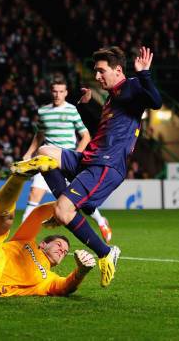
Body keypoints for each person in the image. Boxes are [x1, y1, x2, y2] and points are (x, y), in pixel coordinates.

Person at [11, 46, 162, 287]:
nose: (98, 76)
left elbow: (156, 101)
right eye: (96, 72)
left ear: (118, 70)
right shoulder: (112, 97)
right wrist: (85, 105)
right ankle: (65, 210)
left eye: (102, 71)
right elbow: (102, 130)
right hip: (88, 158)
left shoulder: (132, 86)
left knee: (63, 211)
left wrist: (144, 73)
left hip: (106, 165)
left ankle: (105, 252)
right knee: (45, 152)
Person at [21, 75, 112, 243]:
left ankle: (101, 221)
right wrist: (29, 153)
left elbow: (85, 136)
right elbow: (39, 135)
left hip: (66, 161)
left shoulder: (72, 110)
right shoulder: (43, 112)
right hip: (47, 160)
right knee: (34, 194)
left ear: (66, 93)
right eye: (54, 91)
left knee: (78, 201)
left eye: (61, 91)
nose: (57, 95)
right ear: (51, 92)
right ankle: (21, 239)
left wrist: (76, 157)